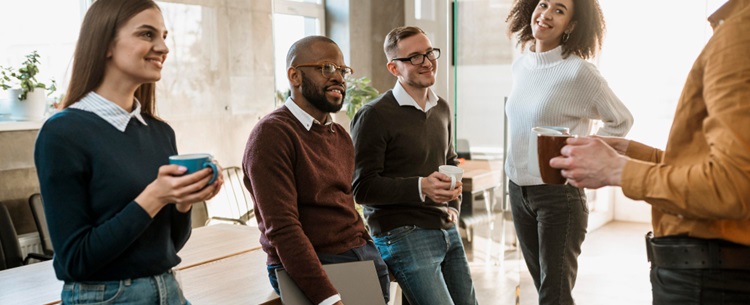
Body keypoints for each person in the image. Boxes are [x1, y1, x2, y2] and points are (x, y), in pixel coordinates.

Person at [549, 1, 750, 303]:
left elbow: (733, 186)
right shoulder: (733, 28)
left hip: (707, 281)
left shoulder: (740, 33)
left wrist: (618, 170)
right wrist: (633, 155)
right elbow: (714, 163)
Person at [34, 0, 224, 303]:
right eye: (147, 34)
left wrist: (184, 202)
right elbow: (74, 260)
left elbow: (170, 246)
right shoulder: (62, 133)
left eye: (164, 36)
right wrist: (155, 196)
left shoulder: (161, 132)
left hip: (170, 289)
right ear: (106, 44)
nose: (163, 47)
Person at [242, 36, 390, 305]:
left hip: (361, 258)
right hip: (317, 267)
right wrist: (328, 298)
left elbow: (345, 207)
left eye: (342, 70)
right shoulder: (272, 134)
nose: (339, 78)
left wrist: (373, 256)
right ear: (295, 76)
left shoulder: (340, 136)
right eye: (326, 68)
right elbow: (283, 229)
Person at [504, 0, 634, 303]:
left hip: (557, 196)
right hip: (517, 190)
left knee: (554, 294)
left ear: (571, 25)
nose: (546, 14)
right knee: (547, 291)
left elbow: (621, 119)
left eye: (559, 10)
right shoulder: (521, 65)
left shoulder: (579, 71)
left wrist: (583, 154)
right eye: (544, 4)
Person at [350, 26, 478, 305]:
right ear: (394, 68)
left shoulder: (441, 108)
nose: (427, 61)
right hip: (401, 233)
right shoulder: (373, 115)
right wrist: (422, 187)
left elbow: (450, 160)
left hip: (445, 226)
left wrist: (454, 207)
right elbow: (362, 187)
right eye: (415, 57)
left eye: (429, 53)